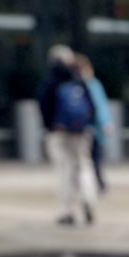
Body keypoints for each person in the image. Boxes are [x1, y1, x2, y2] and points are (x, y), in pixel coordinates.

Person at [41, 44, 97, 226]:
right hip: (81, 131)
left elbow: (44, 106)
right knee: (84, 166)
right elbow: (91, 106)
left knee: (64, 169)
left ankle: (67, 210)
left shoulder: (50, 80)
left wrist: (49, 126)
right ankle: (89, 199)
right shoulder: (78, 80)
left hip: (59, 132)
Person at [74, 53, 110, 196]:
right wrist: (105, 123)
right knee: (92, 159)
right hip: (89, 129)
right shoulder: (90, 85)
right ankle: (96, 185)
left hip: (82, 129)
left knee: (88, 160)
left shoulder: (77, 85)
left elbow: (100, 106)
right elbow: (100, 106)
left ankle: (95, 184)